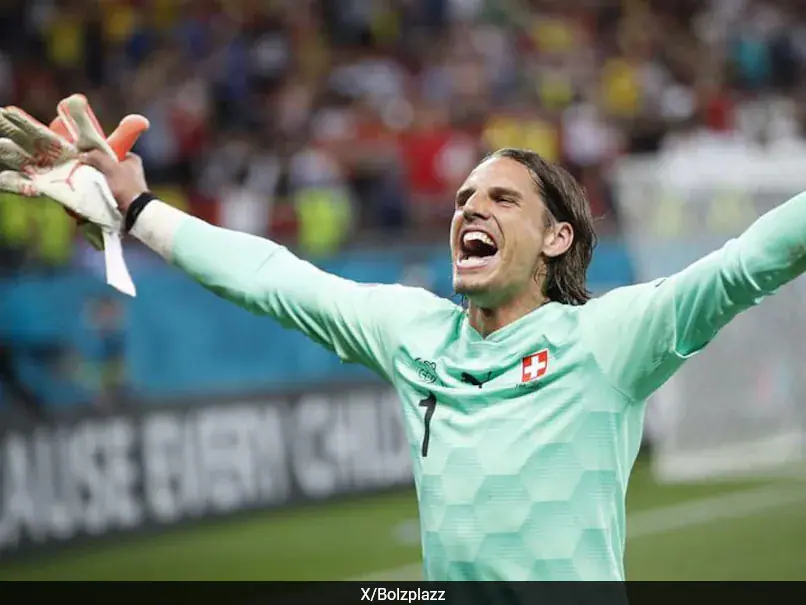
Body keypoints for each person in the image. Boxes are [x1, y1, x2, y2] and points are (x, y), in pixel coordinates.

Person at [7, 102, 806, 583]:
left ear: (558, 237)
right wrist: (140, 206)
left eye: (501, 198)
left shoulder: (606, 338)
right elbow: (273, 277)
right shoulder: (412, 331)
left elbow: (746, 264)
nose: (470, 209)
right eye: (463, 198)